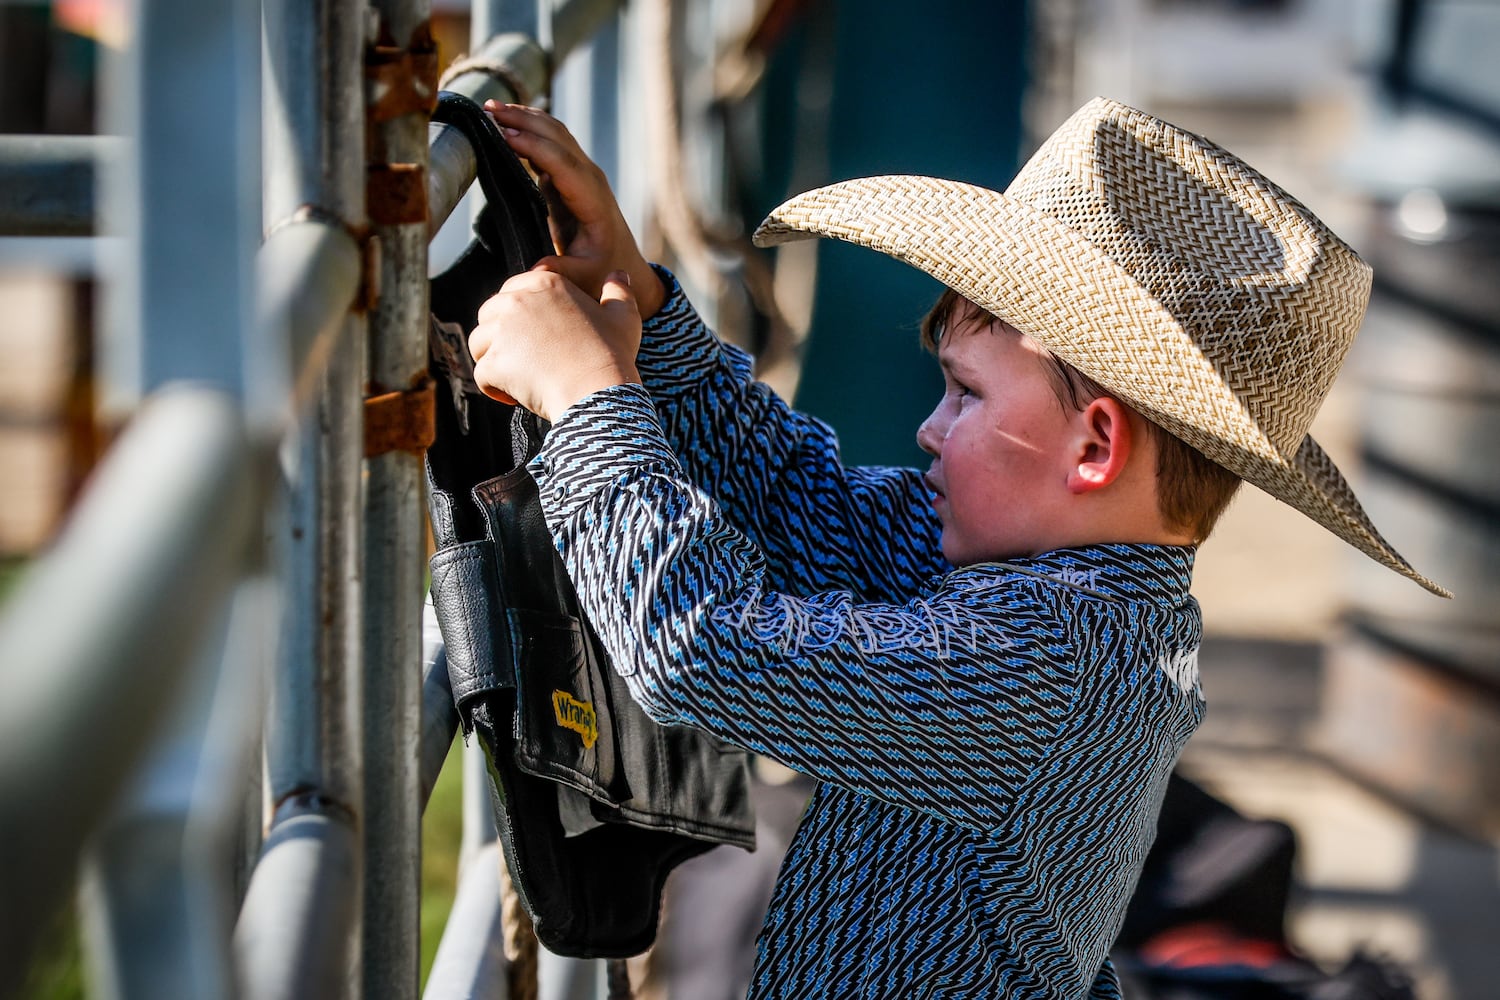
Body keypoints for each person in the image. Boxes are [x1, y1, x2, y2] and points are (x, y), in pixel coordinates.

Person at [465, 96, 1447, 999]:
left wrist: (592, 401)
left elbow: (697, 648)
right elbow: (805, 504)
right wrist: (640, 304)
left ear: (1095, 446)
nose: (931, 429)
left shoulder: (1049, 662)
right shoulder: (1042, 578)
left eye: (966, 394)